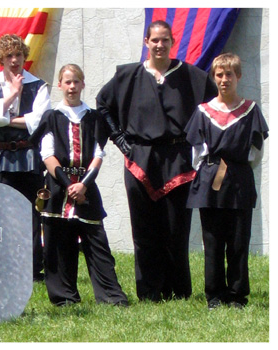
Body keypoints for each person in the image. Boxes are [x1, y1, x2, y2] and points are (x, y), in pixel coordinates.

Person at [96, 20, 217, 302]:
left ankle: (178, 291)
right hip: (139, 159)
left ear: (172, 42)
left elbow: (214, 107)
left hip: (178, 160)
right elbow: (103, 105)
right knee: (144, 229)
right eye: (155, 40)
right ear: (146, 43)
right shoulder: (129, 76)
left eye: (165, 40)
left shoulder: (191, 76)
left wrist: (204, 145)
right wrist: (119, 138)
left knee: (176, 228)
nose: (160, 45)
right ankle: (149, 291)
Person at [30, 64, 128, 306]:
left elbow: (98, 153)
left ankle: (111, 297)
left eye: (76, 82)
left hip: (86, 186)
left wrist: (82, 185)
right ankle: (64, 297)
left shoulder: (94, 118)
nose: (72, 87)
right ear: (60, 85)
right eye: (67, 82)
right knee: (58, 244)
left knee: (97, 243)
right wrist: (67, 185)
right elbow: (47, 154)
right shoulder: (52, 116)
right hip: (57, 188)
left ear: (83, 84)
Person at [184, 53, 269, 310]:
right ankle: (215, 295)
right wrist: (211, 170)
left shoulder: (251, 110)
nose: (224, 79)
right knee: (213, 241)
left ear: (238, 76)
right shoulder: (203, 112)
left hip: (239, 182)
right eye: (219, 75)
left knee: (239, 241)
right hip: (210, 182)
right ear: (214, 77)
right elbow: (195, 154)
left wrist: (236, 166)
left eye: (229, 74)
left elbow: (256, 152)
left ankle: (237, 295)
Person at [0, 34, 51, 282]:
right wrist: (12, 95)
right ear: (1, 59)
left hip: (28, 158)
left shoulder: (38, 86)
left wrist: (6, 118)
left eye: (18, 55)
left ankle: (33, 268)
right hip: (0, 157)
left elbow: (40, 121)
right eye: (9, 56)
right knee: (1, 214)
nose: (14, 60)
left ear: (25, 56)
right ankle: (4, 267)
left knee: (31, 213)